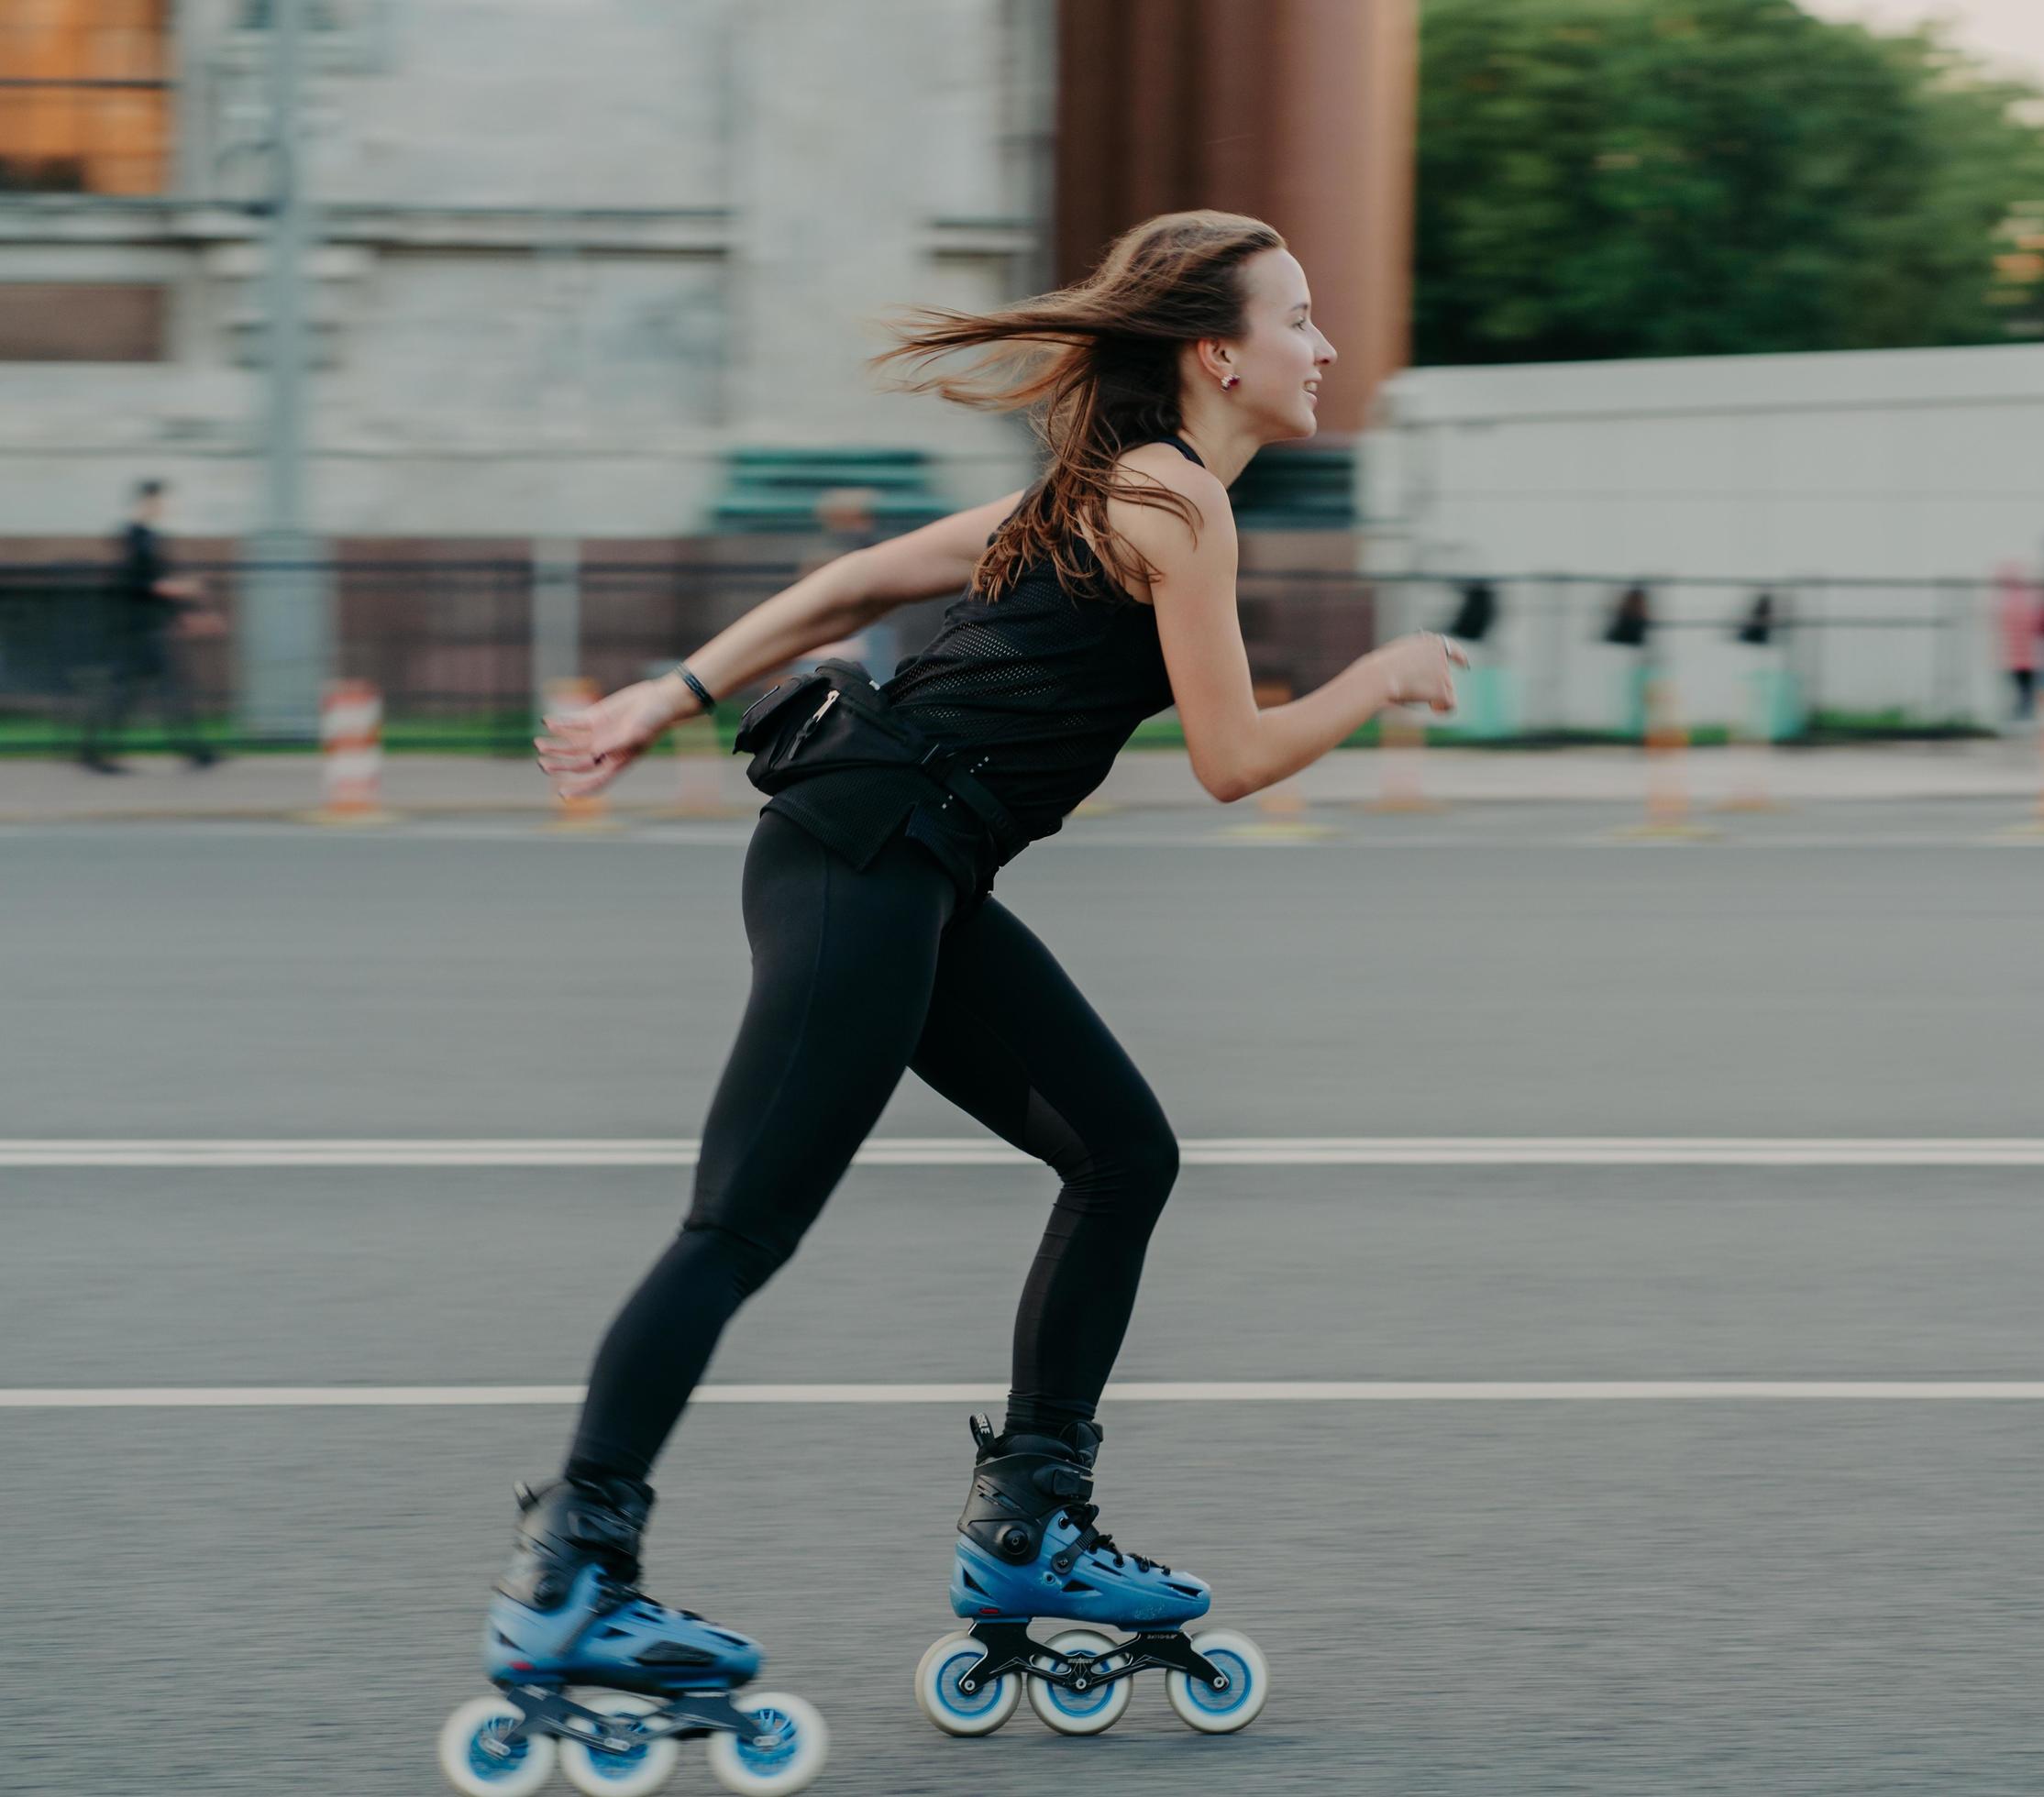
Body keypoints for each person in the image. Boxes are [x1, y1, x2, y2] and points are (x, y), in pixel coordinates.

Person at [445, 213, 1461, 1780]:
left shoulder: (1104, 495)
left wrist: (665, 695)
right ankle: (576, 1578)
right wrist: (1377, 679)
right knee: (741, 1225)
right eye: (1302, 319)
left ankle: (1033, 1527)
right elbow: (1233, 757)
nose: (1325, 349)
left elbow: (853, 578)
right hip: (866, 864)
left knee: (1124, 1154)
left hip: (905, 875)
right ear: (1218, 353)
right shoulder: (1175, 499)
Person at [78, 480, 219, 772]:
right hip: (135, 629)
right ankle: (95, 752)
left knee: (149, 691)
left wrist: (184, 611)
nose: (163, 507)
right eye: (158, 501)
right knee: (139, 692)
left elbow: (155, 582)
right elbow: (137, 582)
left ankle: (193, 751)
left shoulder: (149, 538)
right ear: (145, 502)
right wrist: (173, 590)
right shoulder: (134, 537)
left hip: (145, 626)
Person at [1994, 561, 2044, 727]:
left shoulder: (2006, 603)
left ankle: (2022, 716)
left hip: (2016, 656)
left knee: (2021, 690)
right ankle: (2026, 715)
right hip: (2028, 656)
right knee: (2026, 690)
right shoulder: (2030, 600)